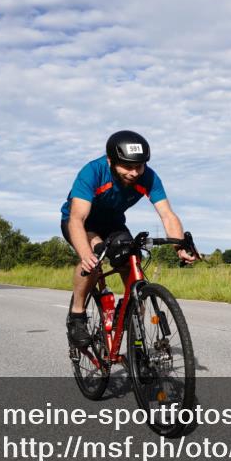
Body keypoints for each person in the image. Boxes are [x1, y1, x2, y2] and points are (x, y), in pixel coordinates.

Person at [60, 131, 195, 346]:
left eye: (139, 166)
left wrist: (179, 246)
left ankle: (131, 314)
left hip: (113, 223)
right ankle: (77, 315)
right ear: (110, 161)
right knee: (94, 260)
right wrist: (85, 254)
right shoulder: (92, 172)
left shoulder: (148, 177)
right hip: (82, 223)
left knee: (132, 261)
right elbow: (77, 219)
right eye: (127, 167)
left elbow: (167, 215)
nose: (134, 173)